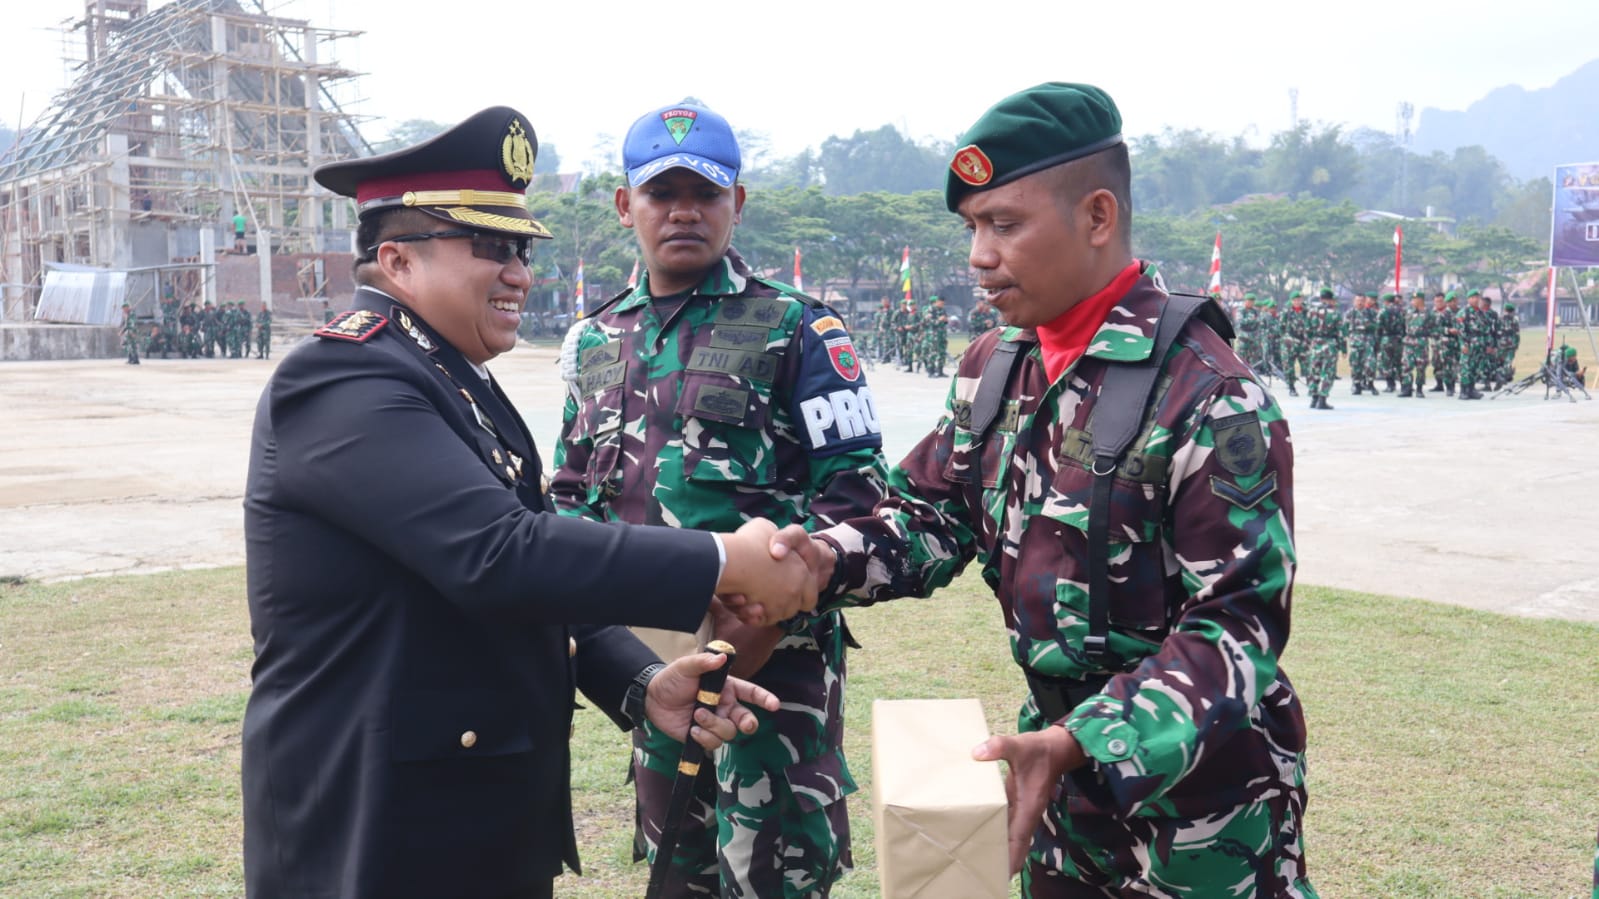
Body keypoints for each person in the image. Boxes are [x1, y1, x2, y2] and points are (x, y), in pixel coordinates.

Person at [242, 105, 819, 899]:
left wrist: (640, 683)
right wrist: (723, 559)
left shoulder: (452, 377)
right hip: (380, 820)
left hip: (471, 808)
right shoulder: (346, 378)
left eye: (521, 248)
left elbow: (534, 555)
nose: (519, 271)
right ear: (397, 259)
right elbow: (500, 554)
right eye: (490, 248)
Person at [777, 82, 1313, 897]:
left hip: (1202, 802)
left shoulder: (1207, 392)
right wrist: (813, 559)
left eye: (1004, 223)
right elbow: (927, 512)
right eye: (971, 227)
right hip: (1053, 774)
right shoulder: (997, 365)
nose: (978, 256)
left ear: (1096, 217)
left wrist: (1083, 740)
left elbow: (1237, 624)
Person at [551, 101, 889, 899]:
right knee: (676, 875)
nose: (683, 212)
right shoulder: (592, 340)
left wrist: (761, 622)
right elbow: (569, 499)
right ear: (624, 205)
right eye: (661, 193)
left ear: (736, 203)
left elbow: (860, 497)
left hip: (778, 679)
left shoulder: (799, 328)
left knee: (771, 879)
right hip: (655, 669)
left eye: (704, 193)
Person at [119, 301, 140, 365]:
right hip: (128, 332)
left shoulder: (131, 314)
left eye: (124, 308)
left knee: (133, 346)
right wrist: (122, 331)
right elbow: (126, 325)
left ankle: (135, 359)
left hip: (132, 332)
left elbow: (133, 324)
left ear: (128, 307)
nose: (123, 310)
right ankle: (130, 359)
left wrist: (132, 332)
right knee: (128, 346)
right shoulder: (127, 314)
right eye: (123, 308)